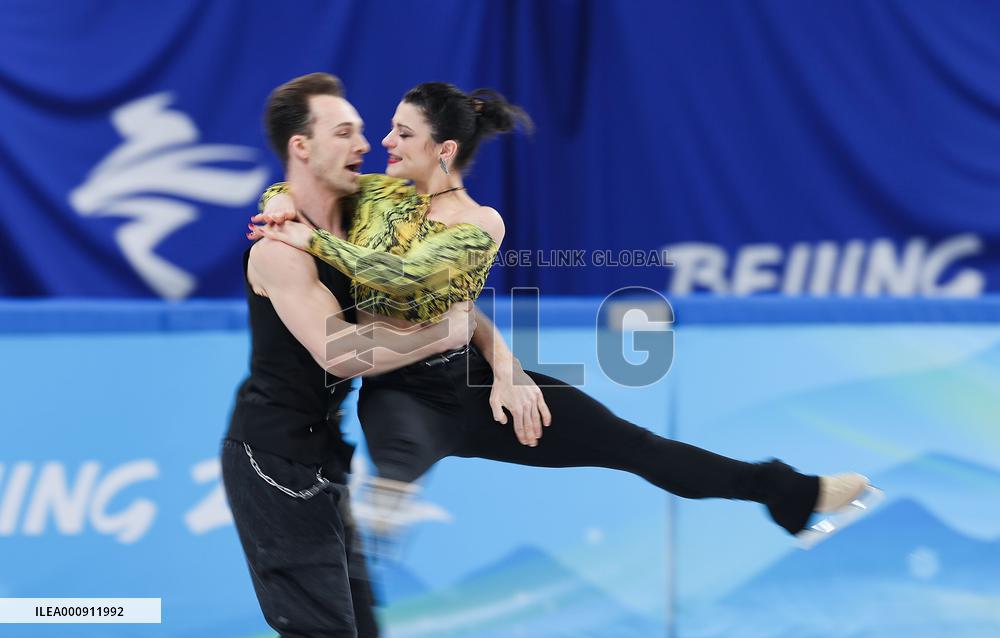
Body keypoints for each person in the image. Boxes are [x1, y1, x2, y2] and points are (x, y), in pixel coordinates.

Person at [249, 82, 881, 550]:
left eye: (401, 133)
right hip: (399, 386)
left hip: (468, 385)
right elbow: (302, 186)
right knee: (398, 440)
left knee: (638, 447)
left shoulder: (479, 224)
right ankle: (390, 495)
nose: (383, 142)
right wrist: (279, 204)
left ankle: (791, 494)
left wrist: (508, 374)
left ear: (443, 151)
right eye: (385, 130)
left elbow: (420, 288)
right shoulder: (376, 196)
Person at [223, 73, 480, 638]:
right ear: (301, 146)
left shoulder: (367, 214)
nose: (366, 145)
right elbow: (342, 354)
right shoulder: (278, 251)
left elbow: (446, 282)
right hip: (274, 459)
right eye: (345, 132)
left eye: (365, 132)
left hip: (326, 455)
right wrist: (441, 337)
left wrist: (507, 369)